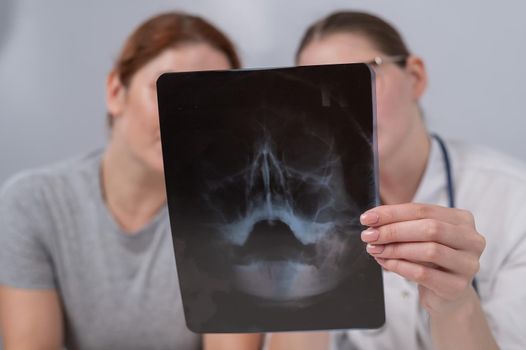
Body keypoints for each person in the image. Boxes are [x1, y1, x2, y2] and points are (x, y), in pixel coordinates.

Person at [261, 10, 526, 350]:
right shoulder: (293, 210)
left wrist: (455, 304)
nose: (344, 109)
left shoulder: (514, 201)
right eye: (318, 93)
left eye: (361, 79)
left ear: (415, 77)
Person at [0, 11, 256, 350]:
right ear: (115, 91)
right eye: (166, 89)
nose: (188, 119)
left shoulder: (236, 212)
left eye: (211, 100)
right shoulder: (34, 202)